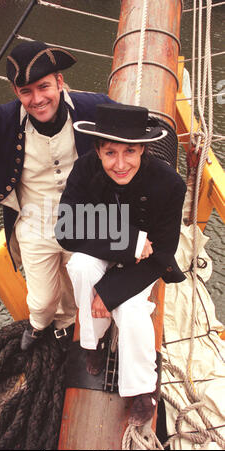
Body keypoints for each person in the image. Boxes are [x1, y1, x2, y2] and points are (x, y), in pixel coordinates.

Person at [0, 40, 114, 351]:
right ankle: (40, 325)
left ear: (59, 82)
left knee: (85, 289)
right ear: (16, 93)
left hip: (85, 219)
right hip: (34, 222)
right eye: (26, 92)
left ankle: (76, 334)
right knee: (43, 301)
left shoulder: (93, 108)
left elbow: (135, 136)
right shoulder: (3, 120)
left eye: (44, 87)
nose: (37, 99)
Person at [55, 102, 187, 425]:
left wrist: (109, 291)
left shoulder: (169, 185)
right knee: (82, 267)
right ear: (98, 150)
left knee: (129, 311)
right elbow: (66, 231)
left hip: (147, 262)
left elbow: (163, 254)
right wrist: (131, 242)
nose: (120, 164)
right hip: (121, 248)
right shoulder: (85, 170)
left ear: (143, 149)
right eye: (110, 152)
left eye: (130, 151)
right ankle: (93, 341)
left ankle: (143, 387)